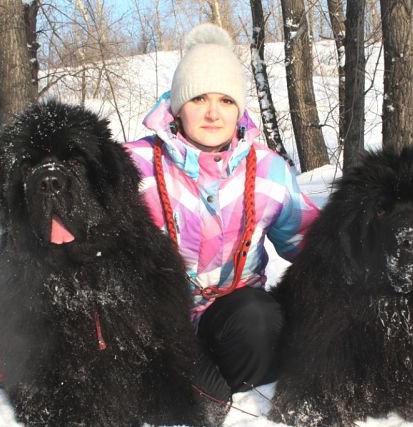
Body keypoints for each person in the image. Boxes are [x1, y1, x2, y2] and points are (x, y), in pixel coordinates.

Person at [125, 23, 319, 404]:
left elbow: (315, 245)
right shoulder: (134, 165)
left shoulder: (269, 170)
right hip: (157, 320)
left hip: (233, 319)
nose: (213, 113)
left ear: (239, 109)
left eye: (226, 101)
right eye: (199, 99)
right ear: (178, 107)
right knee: (191, 398)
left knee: (261, 320)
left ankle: (240, 392)